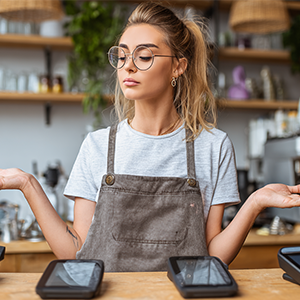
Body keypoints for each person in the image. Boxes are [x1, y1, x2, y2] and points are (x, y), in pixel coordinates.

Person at [1, 2, 300, 272]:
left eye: (143, 56)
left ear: (178, 66)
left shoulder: (213, 146)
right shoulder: (97, 146)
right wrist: (27, 184)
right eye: (121, 56)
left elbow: (213, 257)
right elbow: (76, 251)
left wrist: (255, 202)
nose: (128, 65)